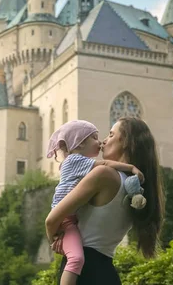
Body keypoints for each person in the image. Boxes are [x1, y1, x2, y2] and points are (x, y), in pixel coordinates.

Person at [45, 117, 164, 284]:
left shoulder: (103, 174)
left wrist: (55, 241)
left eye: (110, 134)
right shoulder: (136, 188)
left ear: (125, 142)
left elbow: (51, 220)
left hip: (82, 273)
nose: (104, 141)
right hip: (107, 273)